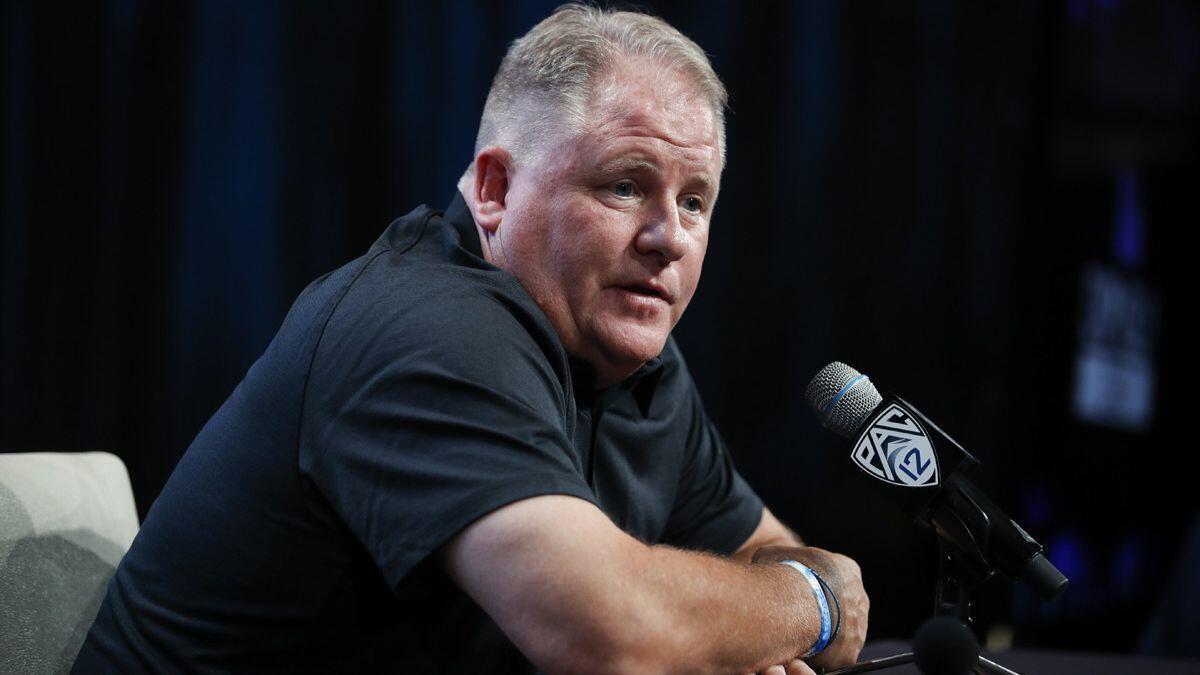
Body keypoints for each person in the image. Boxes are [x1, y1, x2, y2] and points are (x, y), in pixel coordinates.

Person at [74, 5, 869, 674]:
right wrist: (815, 600)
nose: (670, 237)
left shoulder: (639, 367)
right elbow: (606, 631)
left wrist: (758, 620)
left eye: (695, 202)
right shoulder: (424, 329)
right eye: (625, 185)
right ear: (494, 189)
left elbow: (760, 552)